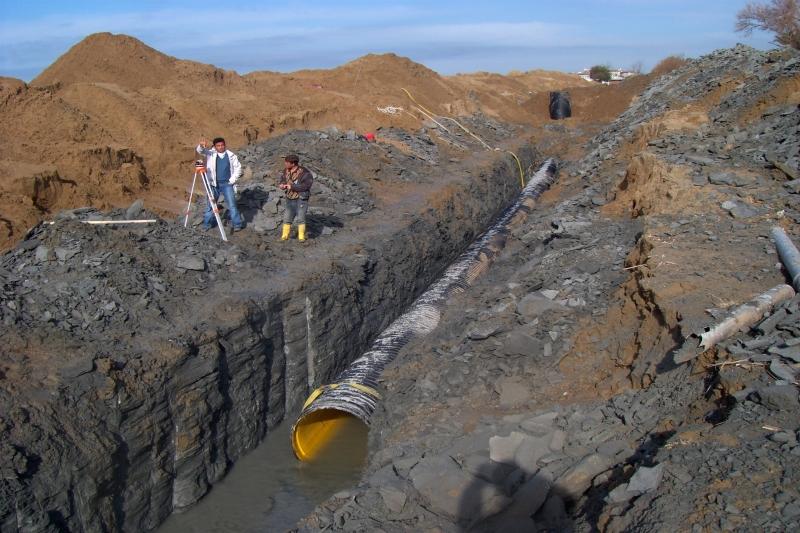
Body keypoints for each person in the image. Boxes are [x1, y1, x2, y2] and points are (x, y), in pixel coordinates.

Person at [196, 136, 243, 232]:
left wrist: (232, 180)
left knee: (232, 205)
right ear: (215, 146)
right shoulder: (211, 154)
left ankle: (237, 224)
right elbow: (200, 151)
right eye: (218, 145)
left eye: (222, 145)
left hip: (227, 184)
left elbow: (238, 168)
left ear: (225, 145)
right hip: (213, 184)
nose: (221, 147)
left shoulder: (231, 155)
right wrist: (201, 145)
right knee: (210, 206)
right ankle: (207, 225)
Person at [278, 154, 313, 241]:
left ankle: (301, 237)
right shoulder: (286, 170)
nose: (285, 164)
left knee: (301, 218)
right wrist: (282, 184)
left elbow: (306, 186)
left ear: (293, 163)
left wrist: (293, 187)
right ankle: (284, 236)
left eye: (287, 163)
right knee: (287, 217)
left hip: (301, 198)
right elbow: (283, 179)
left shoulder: (305, 173)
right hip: (290, 197)